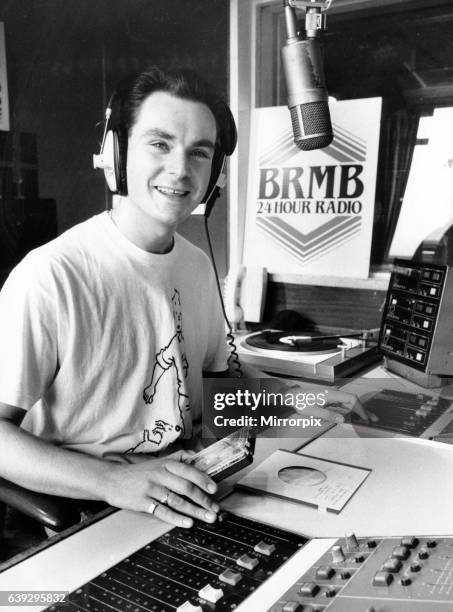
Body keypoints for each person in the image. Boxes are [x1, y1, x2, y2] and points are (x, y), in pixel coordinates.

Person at [0, 66, 370, 531]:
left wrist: (299, 402)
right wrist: (108, 482)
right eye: (159, 144)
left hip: (187, 488)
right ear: (116, 154)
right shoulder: (51, 275)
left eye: (200, 152)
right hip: (91, 510)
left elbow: (220, 379)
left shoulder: (195, 265)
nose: (180, 169)